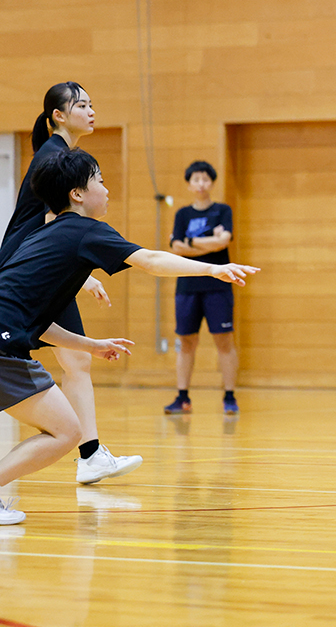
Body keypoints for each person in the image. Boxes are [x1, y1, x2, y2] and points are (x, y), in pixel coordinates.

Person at [0, 148, 258, 525]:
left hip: (7, 337)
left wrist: (91, 345)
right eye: (100, 181)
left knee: (65, 429)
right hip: (5, 347)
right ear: (77, 194)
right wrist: (213, 270)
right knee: (67, 431)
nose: (106, 189)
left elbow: (33, 322)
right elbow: (151, 261)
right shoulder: (84, 229)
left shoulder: (49, 235)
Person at [0, 82, 143, 486]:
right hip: (21, 272)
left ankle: (90, 451)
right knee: (72, 358)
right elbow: (52, 230)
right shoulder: (57, 157)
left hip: (26, 269)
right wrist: (83, 278)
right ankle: (89, 452)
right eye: (81, 105)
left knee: (76, 358)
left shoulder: (58, 154)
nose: (91, 111)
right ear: (58, 115)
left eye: (92, 104)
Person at [164, 161, 239, 416]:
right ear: (189, 183)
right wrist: (210, 242)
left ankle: (229, 397)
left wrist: (192, 242)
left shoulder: (222, 211)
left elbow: (224, 242)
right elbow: (176, 248)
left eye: (205, 179)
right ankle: (182, 397)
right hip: (187, 285)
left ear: (212, 182)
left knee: (224, 340)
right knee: (186, 342)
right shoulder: (182, 214)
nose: (201, 184)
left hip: (219, 286)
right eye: (196, 179)